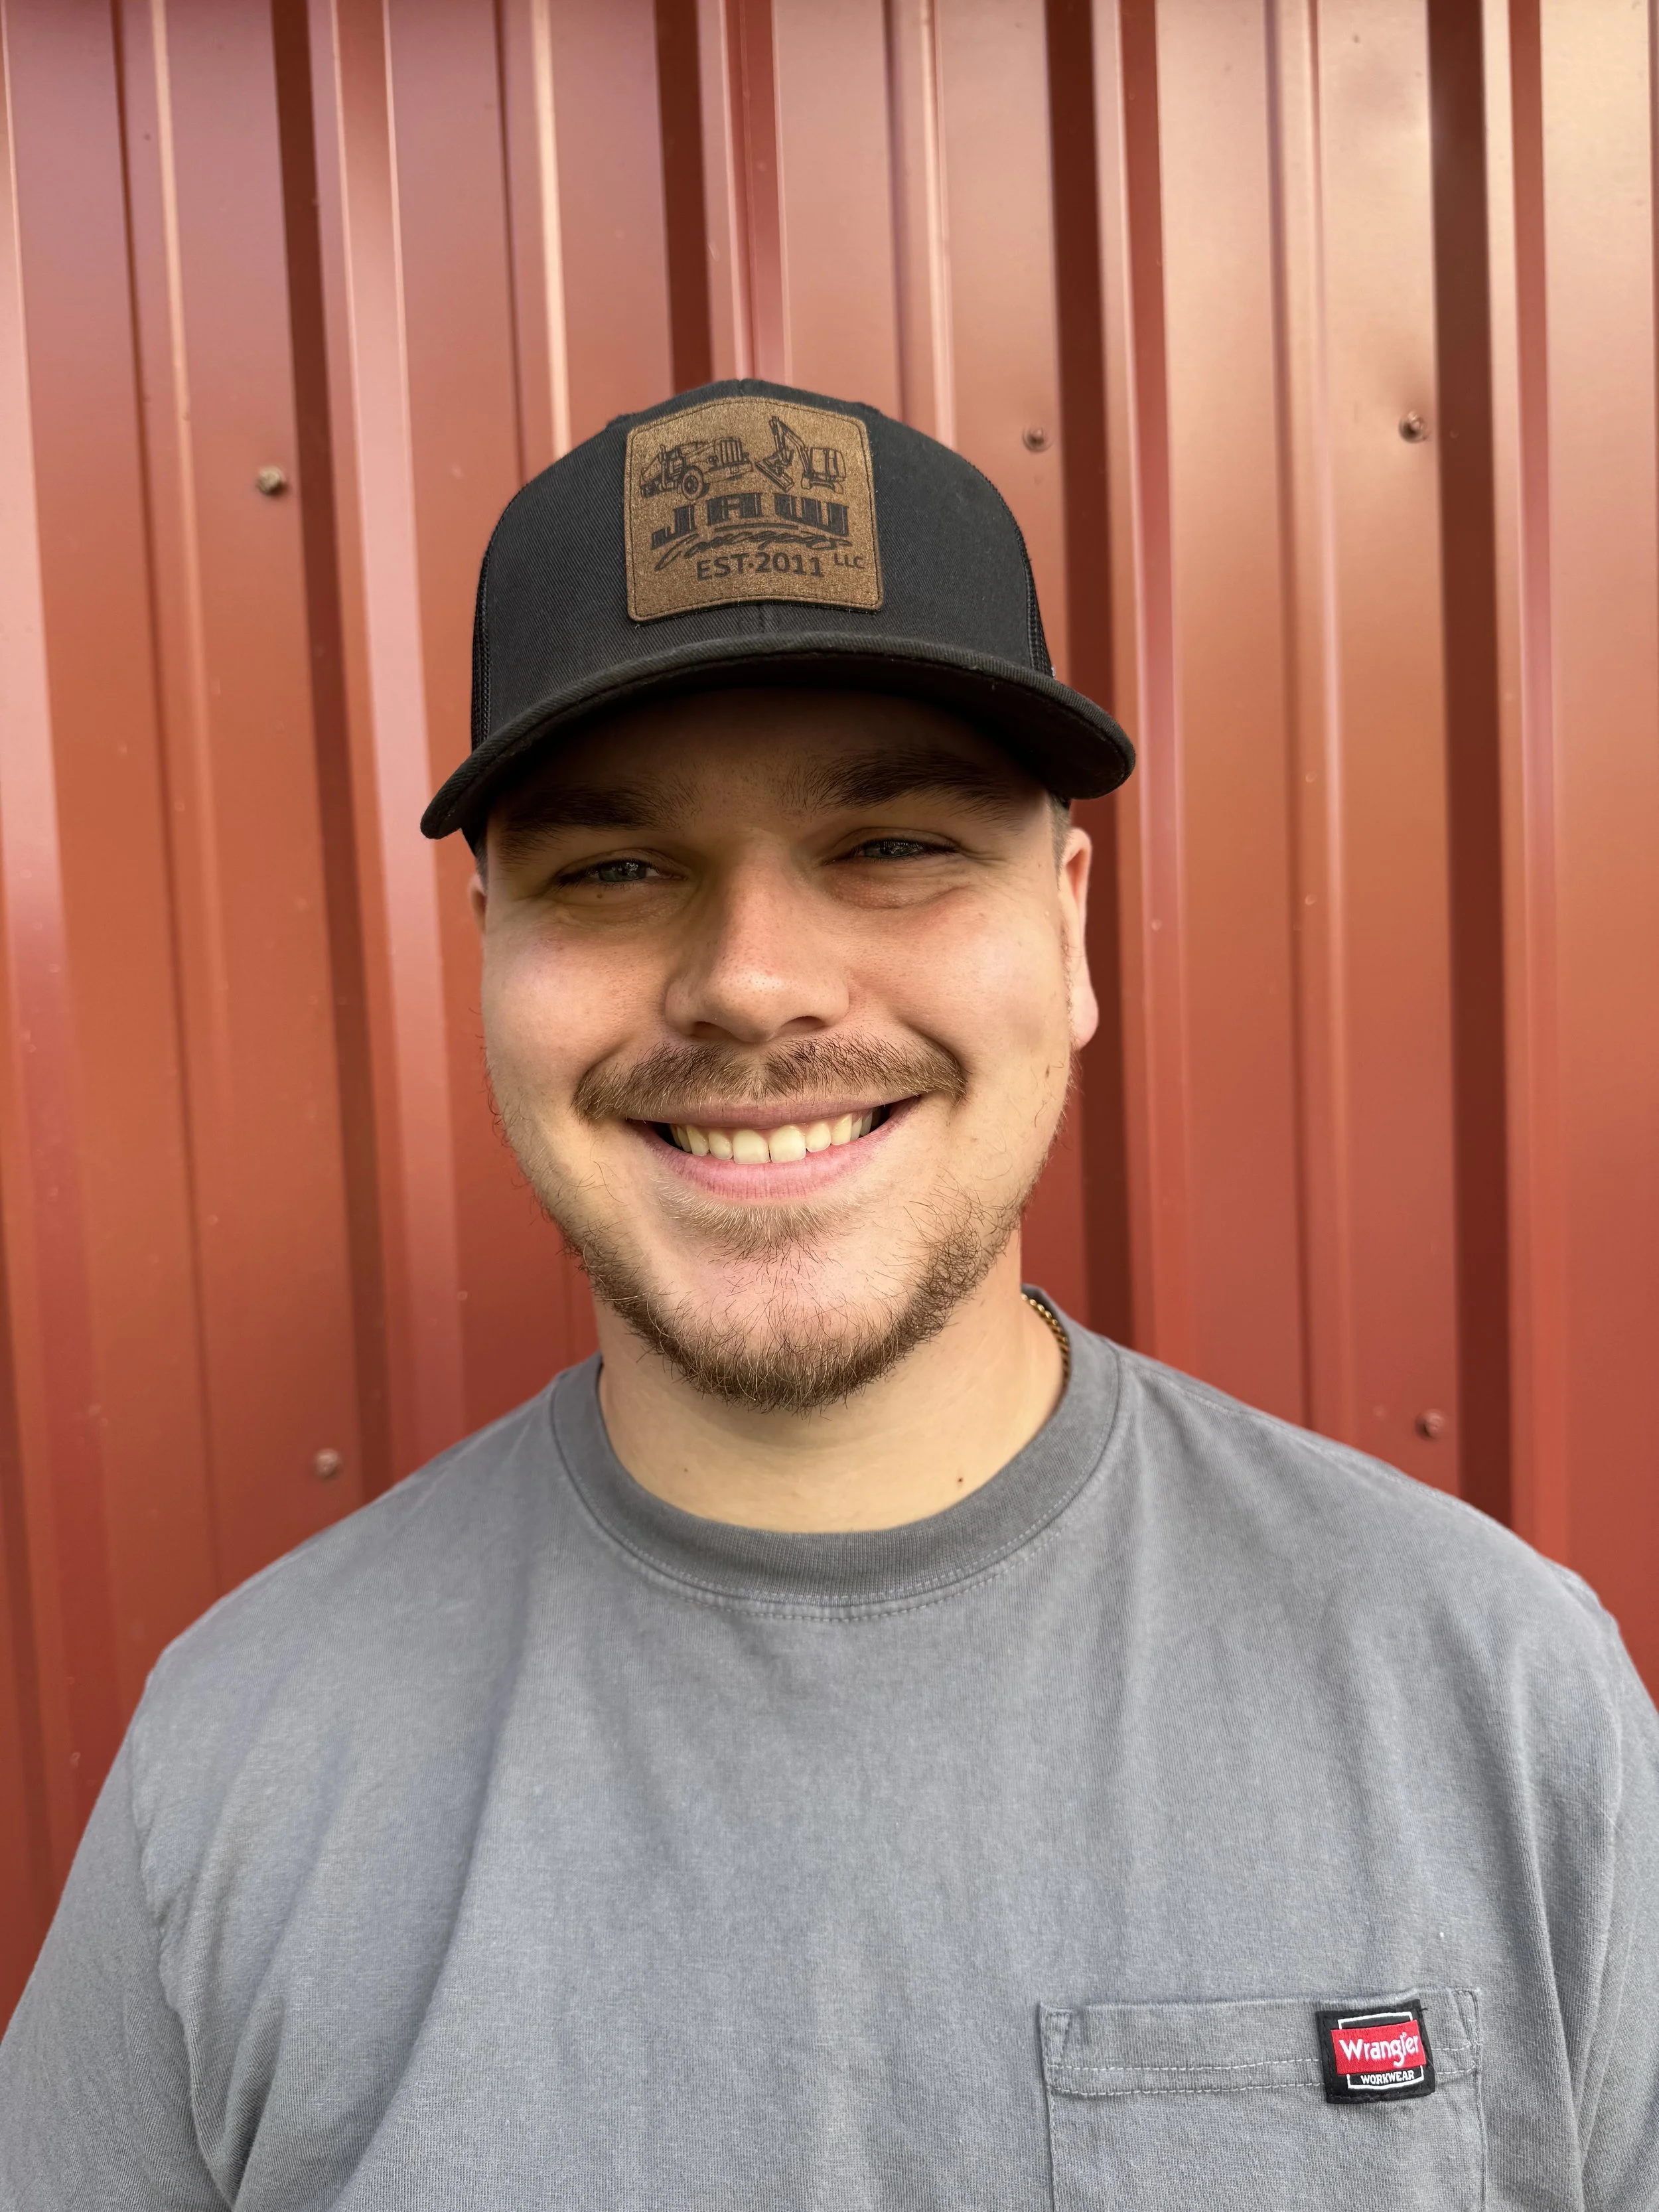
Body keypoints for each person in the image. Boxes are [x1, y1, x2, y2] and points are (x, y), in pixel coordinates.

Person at [1, 379, 1654, 2211]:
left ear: (1070, 923)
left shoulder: (1493, 1697)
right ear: (490, 956)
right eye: (614, 867)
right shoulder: (239, 1765)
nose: (753, 982)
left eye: (892, 843)